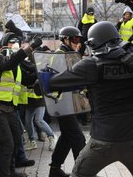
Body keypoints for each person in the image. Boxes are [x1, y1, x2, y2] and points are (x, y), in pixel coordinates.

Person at [49, 21, 133, 177]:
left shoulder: (91, 64)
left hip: (102, 140)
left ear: (94, 43)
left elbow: (54, 82)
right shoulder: (130, 60)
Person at [0, 32, 42, 177]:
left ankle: (7, 171)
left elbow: (27, 80)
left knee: (16, 140)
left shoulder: (17, 66)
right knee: (7, 144)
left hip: (10, 108)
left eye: (16, 43)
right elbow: (9, 62)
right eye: (11, 43)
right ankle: (3, 174)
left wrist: (40, 71)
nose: (14, 46)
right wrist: (30, 48)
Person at [48, 26, 86, 177]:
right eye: (75, 39)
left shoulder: (70, 53)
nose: (78, 42)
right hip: (62, 103)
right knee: (78, 137)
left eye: (79, 40)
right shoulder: (59, 54)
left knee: (67, 137)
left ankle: (55, 170)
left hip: (68, 102)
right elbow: (57, 79)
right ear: (65, 39)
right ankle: (83, 173)